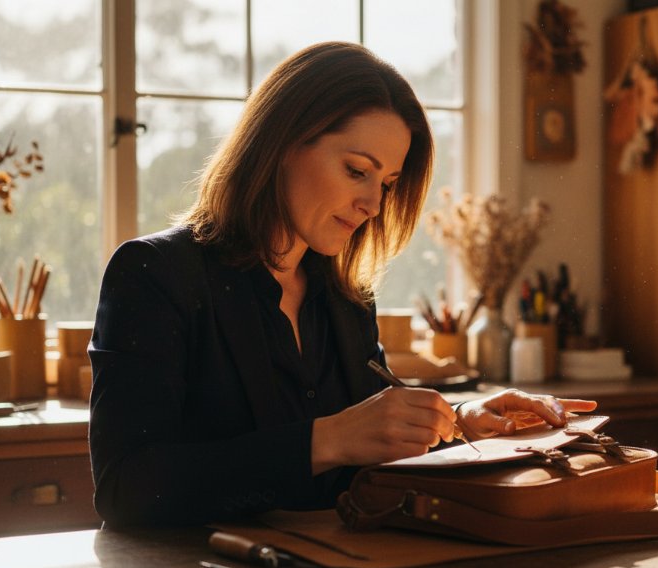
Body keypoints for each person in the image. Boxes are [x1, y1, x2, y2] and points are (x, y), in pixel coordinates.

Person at [88, 41, 596, 527]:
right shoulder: (154, 274)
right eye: (357, 171)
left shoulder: (347, 300)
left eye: (388, 184)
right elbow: (126, 488)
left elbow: (370, 447)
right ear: (282, 142)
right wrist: (325, 440)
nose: (374, 205)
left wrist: (459, 423)